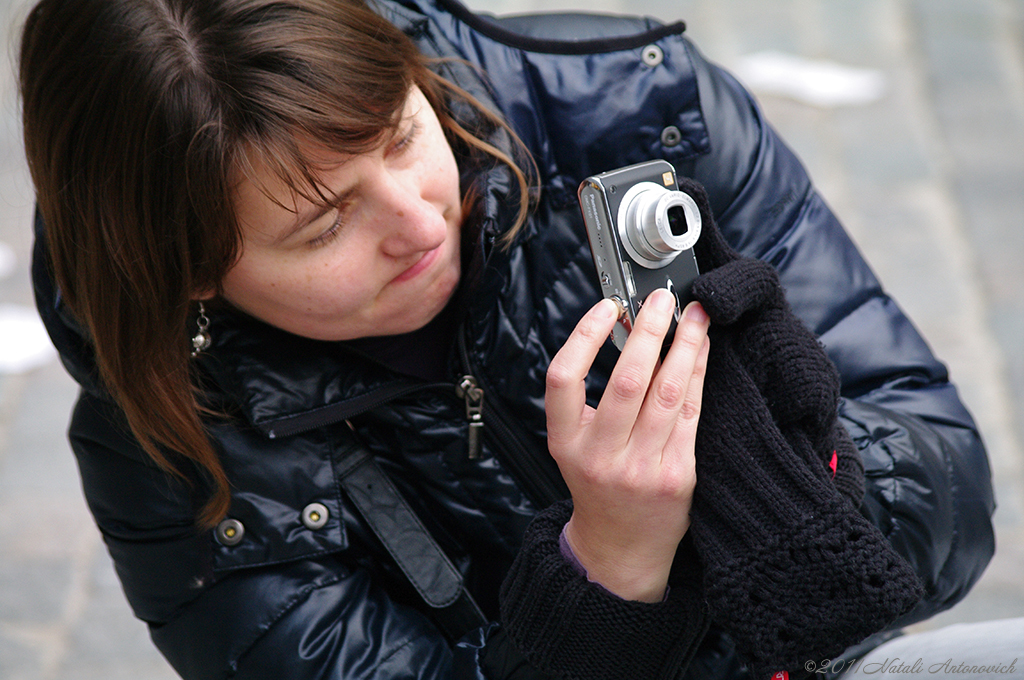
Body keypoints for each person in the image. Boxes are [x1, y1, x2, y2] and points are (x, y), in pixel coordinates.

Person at [19, 0, 999, 678]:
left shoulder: (642, 121)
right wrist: (604, 570)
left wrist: (789, 468)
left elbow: (952, 501)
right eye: (323, 225)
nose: (419, 217)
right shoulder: (164, 442)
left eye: (402, 135)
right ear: (191, 269)